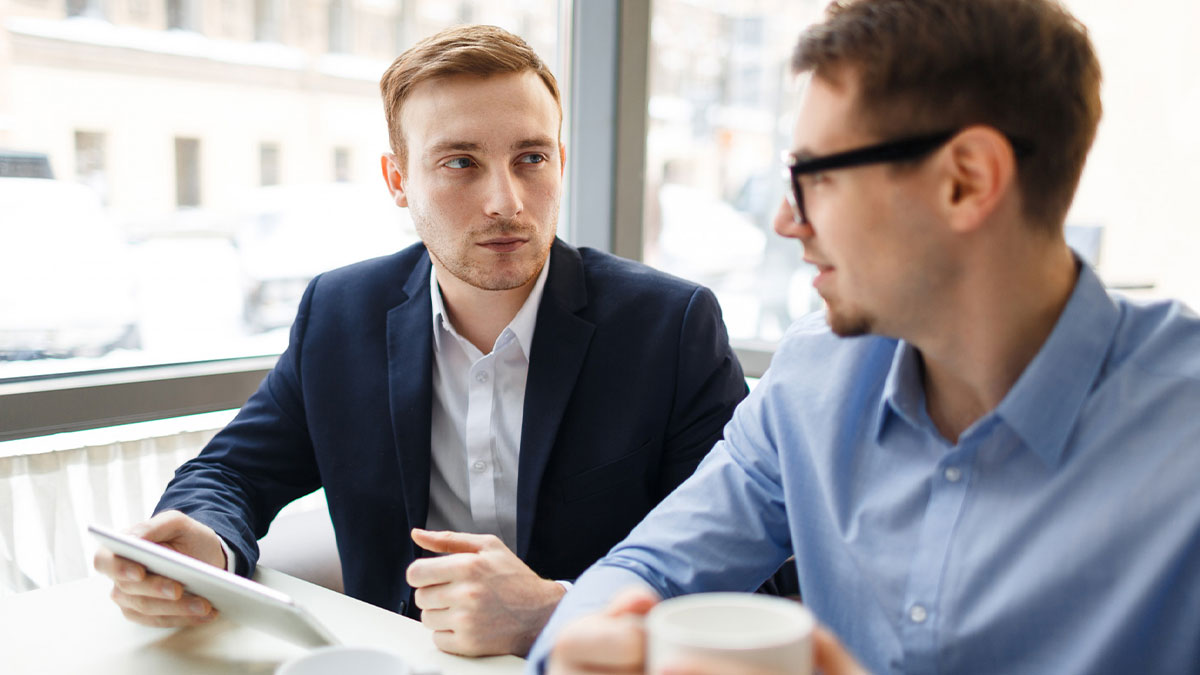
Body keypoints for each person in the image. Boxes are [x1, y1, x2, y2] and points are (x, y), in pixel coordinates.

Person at [529, 0, 1200, 673]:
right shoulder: (815, 375)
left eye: (815, 174)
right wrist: (582, 649)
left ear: (966, 180)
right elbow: (652, 566)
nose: (785, 219)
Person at [93, 25, 747, 658]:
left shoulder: (671, 326)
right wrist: (204, 543)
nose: (506, 200)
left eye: (531, 158)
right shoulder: (340, 315)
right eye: (461, 162)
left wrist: (558, 608)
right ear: (397, 180)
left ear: (561, 160)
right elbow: (229, 473)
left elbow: (745, 563)